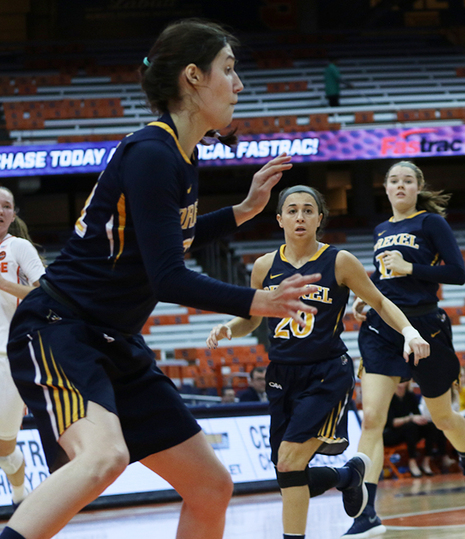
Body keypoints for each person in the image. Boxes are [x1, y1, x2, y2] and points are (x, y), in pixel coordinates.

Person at [2, 20, 323, 539]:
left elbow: (172, 238)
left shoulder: (181, 155)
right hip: (61, 329)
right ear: (193, 76)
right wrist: (258, 301)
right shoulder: (152, 153)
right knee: (103, 458)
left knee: (210, 486)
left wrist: (242, 211)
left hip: (114, 340)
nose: (239, 84)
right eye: (228, 70)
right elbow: (169, 277)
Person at [206, 185, 429, 539]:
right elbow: (252, 318)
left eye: (308, 210)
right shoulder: (264, 266)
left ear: (319, 218)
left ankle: (340, 485)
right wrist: (229, 328)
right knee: (287, 474)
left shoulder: (339, 261)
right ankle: (347, 476)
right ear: (279, 219)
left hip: (326, 372)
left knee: (290, 461)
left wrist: (409, 332)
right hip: (280, 376)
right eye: (292, 210)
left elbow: (380, 301)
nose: (300, 217)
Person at [345, 160, 465, 538]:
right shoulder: (380, 229)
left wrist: (410, 268)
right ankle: (366, 512)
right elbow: (384, 277)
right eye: (393, 180)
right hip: (382, 328)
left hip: (426, 327)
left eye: (407, 180)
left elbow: (457, 273)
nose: (400, 186)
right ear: (385, 188)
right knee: (372, 418)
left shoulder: (431, 223)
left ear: (418, 187)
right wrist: (366, 297)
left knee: (443, 418)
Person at [0, 188, 45, 512]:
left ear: (13, 215)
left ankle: (20, 496)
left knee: (4, 449)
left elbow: (45, 294)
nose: (0, 210)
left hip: (8, 354)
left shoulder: (18, 247)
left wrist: (3, 283)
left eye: (6, 206)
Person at [383, 381, 441, 477]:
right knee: (410, 426)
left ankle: (426, 461)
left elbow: (417, 414)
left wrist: (424, 419)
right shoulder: (388, 397)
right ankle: (412, 461)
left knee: (431, 426)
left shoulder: (410, 395)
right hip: (390, 433)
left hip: (409, 432)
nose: (401, 380)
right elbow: (392, 423)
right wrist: (410, 418)